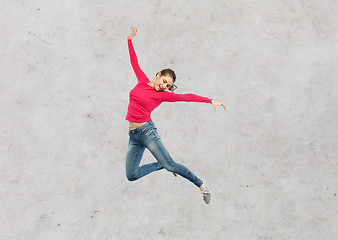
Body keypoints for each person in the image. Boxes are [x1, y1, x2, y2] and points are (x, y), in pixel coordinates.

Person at [125, 27, 227, 204]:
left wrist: (210, 101)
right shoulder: (141, 81)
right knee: (132, 175)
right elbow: (135, 62)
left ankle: (202, 185)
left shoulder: (163, 95)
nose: (164, 86)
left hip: (147, 132)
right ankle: (160, 165)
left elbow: (187, 97)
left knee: (171, 164)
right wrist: (129, 41)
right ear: (158, 75)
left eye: (168, 85)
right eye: (164, 81)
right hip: (134, 136)